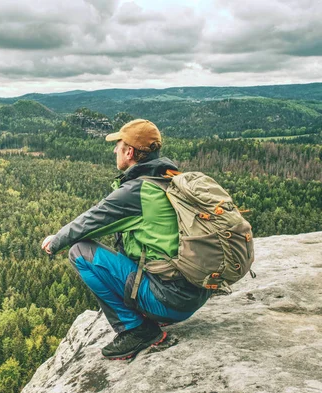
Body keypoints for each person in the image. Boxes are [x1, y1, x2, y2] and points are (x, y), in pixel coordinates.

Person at [41, 119, 211, 360]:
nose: (114, 150)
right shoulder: (170, 179)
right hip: (193, 293)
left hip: (169, 301)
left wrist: (56, 241)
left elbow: (89, 222)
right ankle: (150, 316)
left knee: (79, 252)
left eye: (118, 146)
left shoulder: (137, 191)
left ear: (129, 152)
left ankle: (136, 330)